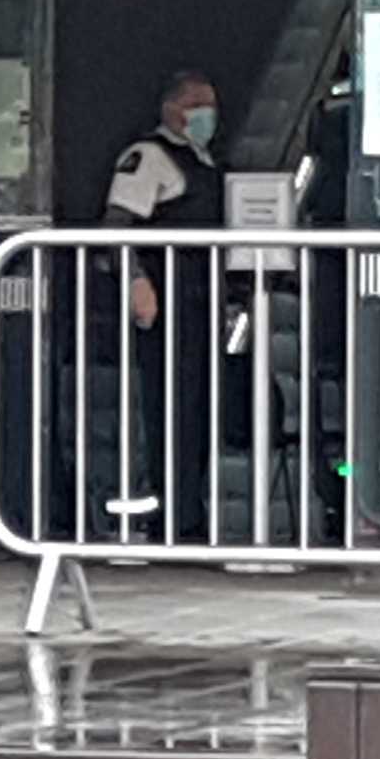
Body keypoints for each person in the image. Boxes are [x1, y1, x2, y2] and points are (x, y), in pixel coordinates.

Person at [99, 68, 235, 543]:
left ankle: (189, 513)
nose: (207, 114)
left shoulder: (204, 161)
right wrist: (136, 281)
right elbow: (116, 227)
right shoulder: (148, 158)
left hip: (201, 303)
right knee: (169, 408)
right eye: (199, 104)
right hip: (166, 303)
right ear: (173, 110)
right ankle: (169, 516)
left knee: (197, 409)